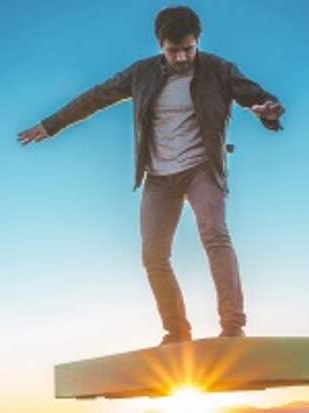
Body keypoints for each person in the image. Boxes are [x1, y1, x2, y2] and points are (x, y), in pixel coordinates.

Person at [17, 6, 285, 345]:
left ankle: (232, 326)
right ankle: (177, 332)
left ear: (197, 41)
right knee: (154, 256)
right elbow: (95, 97)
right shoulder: (141, 73)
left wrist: (269, 113)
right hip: (159, 176)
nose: (182, 57)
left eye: (188, 49)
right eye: (173, 51)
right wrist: (51, 125)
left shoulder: (219, 69)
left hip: (202, 169)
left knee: (215, 235)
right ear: (160, 45)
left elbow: (259, 98)